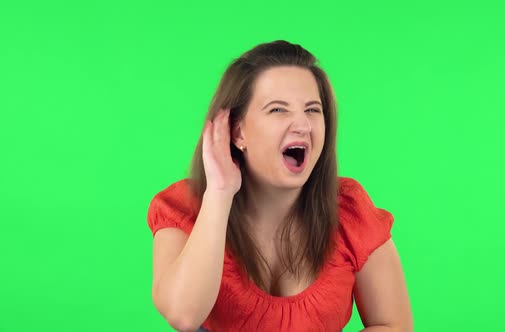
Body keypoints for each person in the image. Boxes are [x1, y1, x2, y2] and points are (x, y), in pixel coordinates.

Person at [147, 40, 413, 332]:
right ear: (238, 132)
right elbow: (183, 316)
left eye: (313, 110)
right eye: (278, 110)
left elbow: (395, 325)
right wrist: (220, 192)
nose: (303, 124)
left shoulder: (351, 212)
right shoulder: (184, 208)